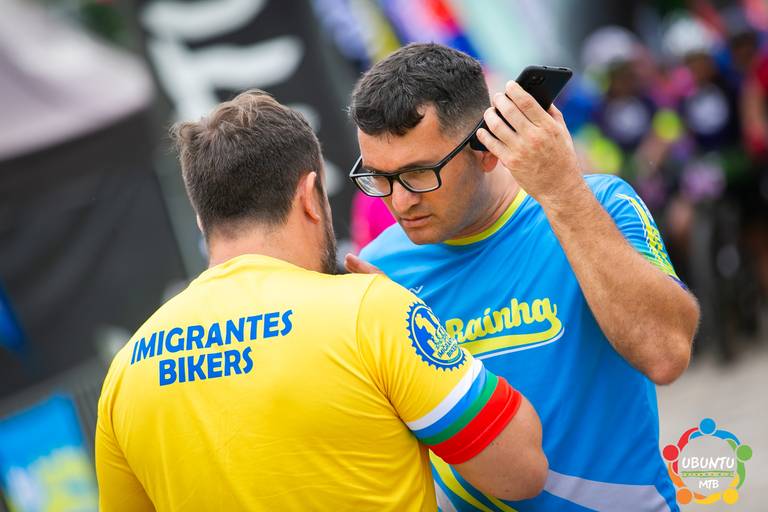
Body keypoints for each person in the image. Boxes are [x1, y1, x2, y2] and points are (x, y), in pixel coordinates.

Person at [94, 90, 548, 511]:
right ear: (310, 195)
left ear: (201, 218)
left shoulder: (127, 372)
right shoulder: (370, 310)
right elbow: (520, 471)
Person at [346, 44, 700, 511]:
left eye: (419, 173)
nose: (399, 201)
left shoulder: (597, 205)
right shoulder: (378, 271)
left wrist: (562, 192)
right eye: (379, 177)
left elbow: (666, 354)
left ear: (485, 149)